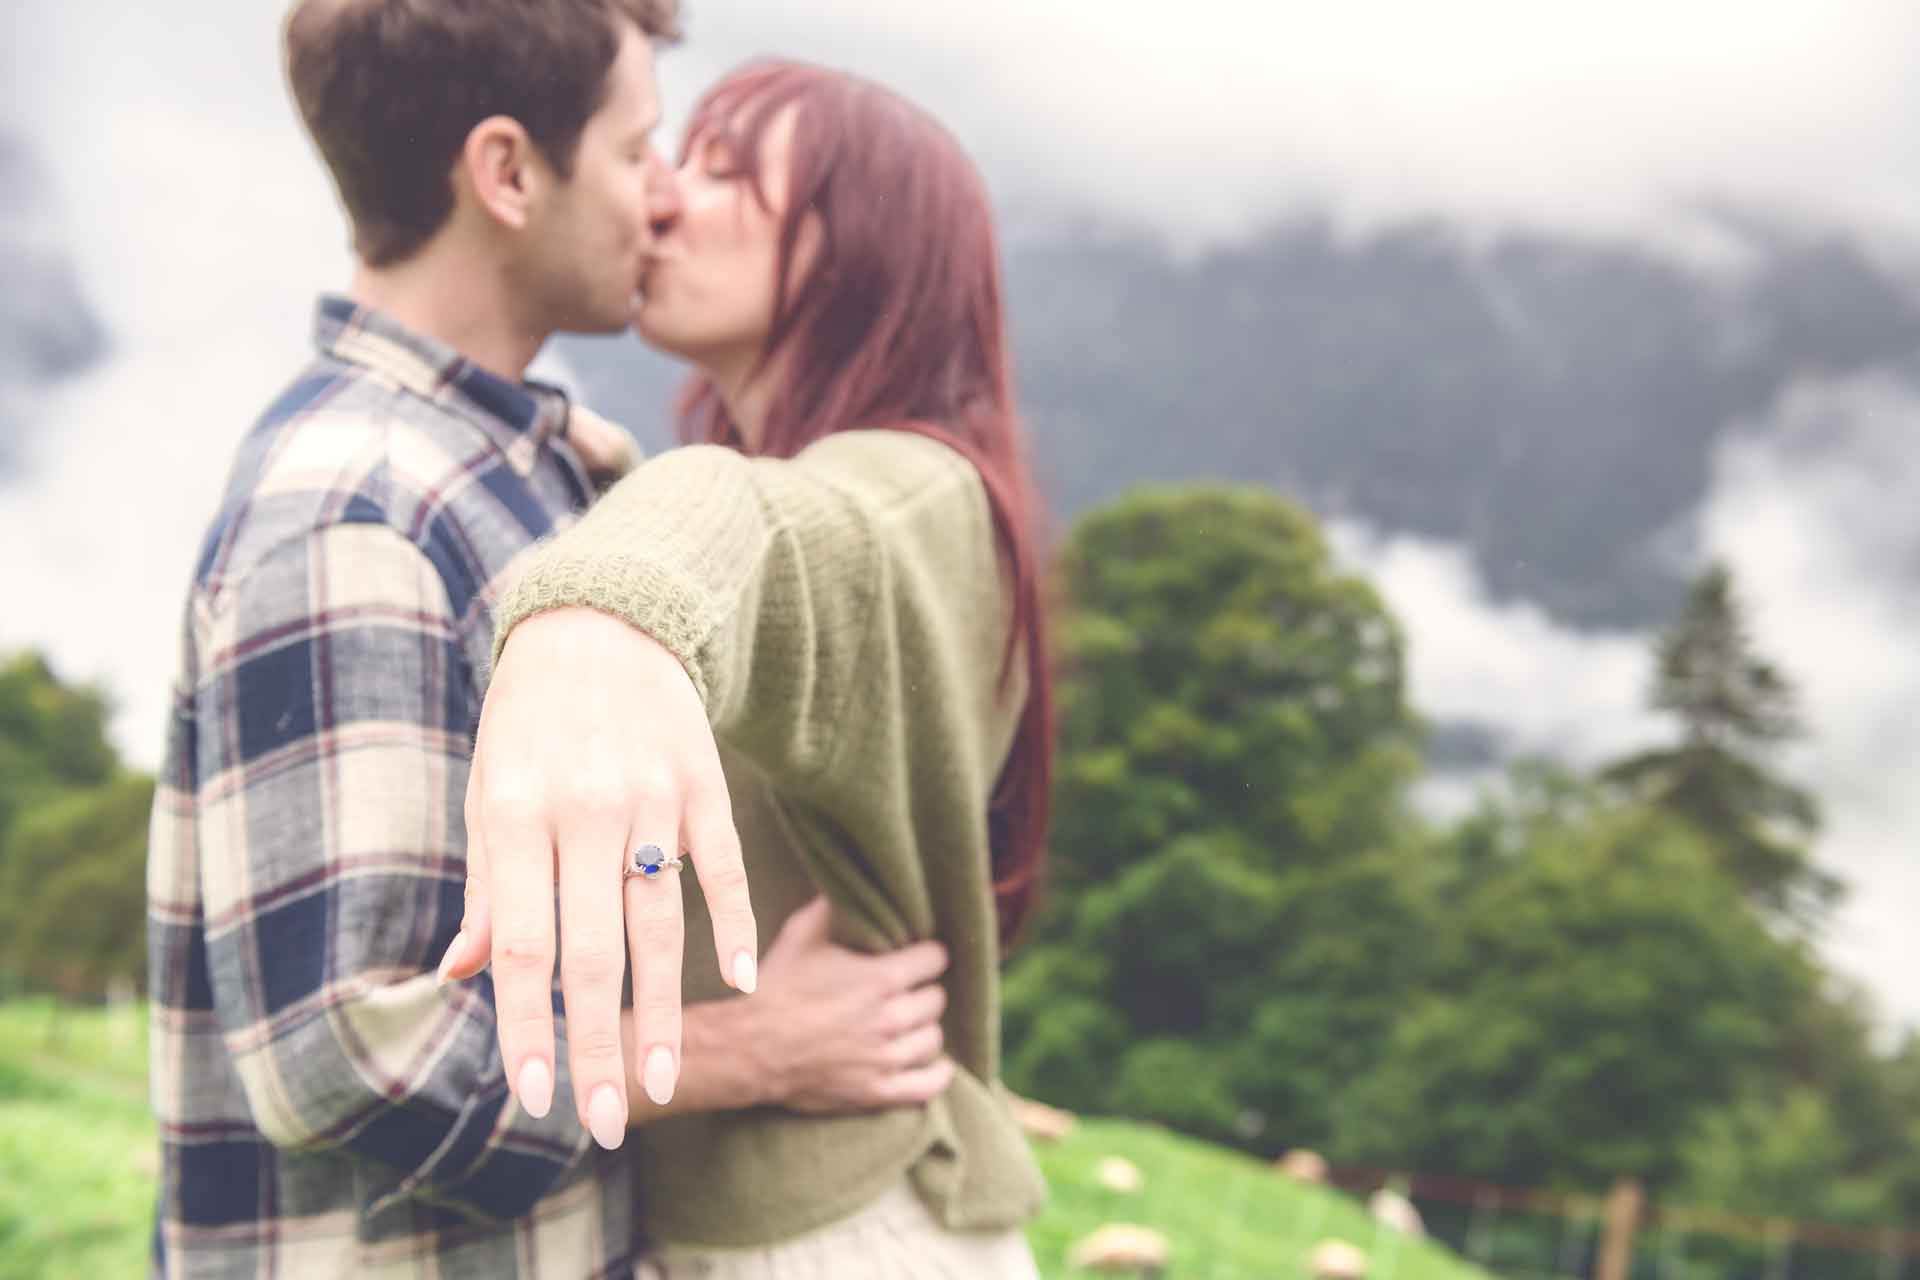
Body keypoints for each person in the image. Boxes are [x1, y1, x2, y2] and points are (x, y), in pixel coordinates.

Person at [145, 6, 955, 1276]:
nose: (663, 198)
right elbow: (346, 1057)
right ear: (509, 173)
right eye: (639, 154)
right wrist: (754, 1048)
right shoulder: (356, 512)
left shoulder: (524, 469)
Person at [445, 59, 1055, 1276]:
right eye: (677, 157)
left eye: (729, 172)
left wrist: (598, 619)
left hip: (849, 1231)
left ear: (861, 252)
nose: (666, 197)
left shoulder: (919, 494)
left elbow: (770, 532)